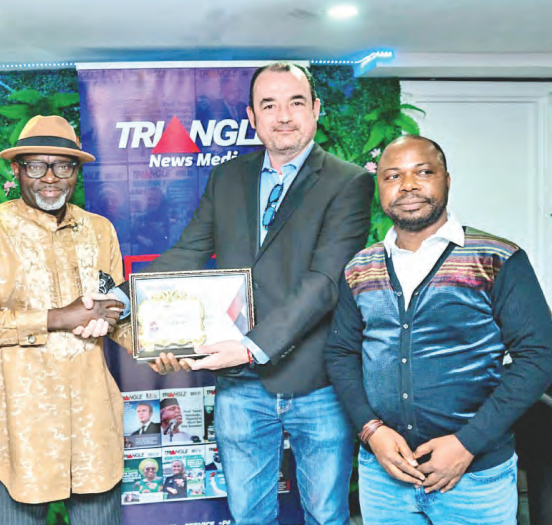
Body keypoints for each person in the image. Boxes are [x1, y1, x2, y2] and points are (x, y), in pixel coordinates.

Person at [105, 62, 374, 525]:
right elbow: (189, 251)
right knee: (249, 515)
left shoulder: (348, 182)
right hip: (241, 389)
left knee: (326, 514)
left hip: (318, 383)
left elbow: (325, 282)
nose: (283, 116)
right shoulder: (228, 177)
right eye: (269, 104)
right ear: (252, 116)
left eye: (295, 102)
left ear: (316, 110)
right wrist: (125, 301)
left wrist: (250, 347)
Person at [325, 135, 552, 525]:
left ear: (447, 180)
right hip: (384, 478)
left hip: (474, 479)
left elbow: (539, 355)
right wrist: (372, 432)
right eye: (393, 176)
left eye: (423, 172)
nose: (408, 186)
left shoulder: (496, 258)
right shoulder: (359, 267)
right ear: (380, 189)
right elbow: (340, 353)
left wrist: (468, 443)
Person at [0, 115, 131, 525]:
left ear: (76, 171)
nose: (50, 178)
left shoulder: (99, 230)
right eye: (36, 165)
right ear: (17, 169)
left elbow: (114, 314)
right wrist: (55, 317)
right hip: (19, 421)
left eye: (63, 166)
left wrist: (164, 346)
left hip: (92, 420)